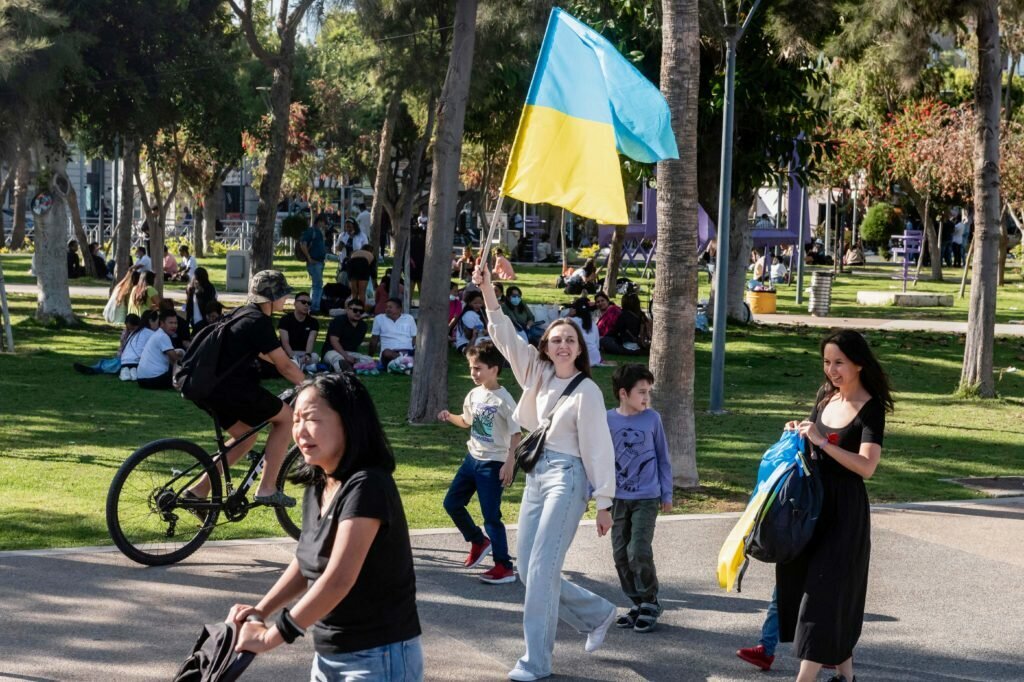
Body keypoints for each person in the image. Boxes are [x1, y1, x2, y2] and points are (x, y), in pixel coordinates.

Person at [228, 373, 423, 680]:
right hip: (329, 655)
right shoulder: (320, 482)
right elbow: (306, 560)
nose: (300, 431)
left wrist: (271, 637)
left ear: (349, 421)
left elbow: (338, 579)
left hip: (378, 657)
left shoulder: (368, 485)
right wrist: (260, 611)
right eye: (296, 420)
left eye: (312, 419)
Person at [475, 265, 617, 682]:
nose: (562, 345)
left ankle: (535, 662)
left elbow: (598, 448)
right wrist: (487, 290)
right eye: (555, 340)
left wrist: (605, 502)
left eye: (569, 340)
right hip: (537, 477)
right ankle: (597, 613)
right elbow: (503, 333)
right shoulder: (535, 373)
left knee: (540, 571)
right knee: (527, 570)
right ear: (546, 345)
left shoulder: (588, 391)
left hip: (568, 479)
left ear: (579, 348)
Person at [776, 329, 894, 682]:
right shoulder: (826, 397)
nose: (832, 370)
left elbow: (866, 467)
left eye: (839, 362)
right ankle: (846, 675)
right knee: (808, 588)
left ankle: (804, 678)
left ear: (858, 363)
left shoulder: (870, 408)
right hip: (811, 508)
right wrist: (800, 430)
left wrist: (822, 443)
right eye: (827, 362)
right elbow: (813, 441)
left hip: (845, 513)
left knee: (822, 596)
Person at [186, 270, 307, 508]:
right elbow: (283, 366)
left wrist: (295, 370)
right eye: (283, 295)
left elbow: (269, 355)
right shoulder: (258, 322)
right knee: (286, 418)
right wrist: (312, 385)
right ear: (271, 297)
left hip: (205, 387)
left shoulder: (243, 314)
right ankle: (267, 488)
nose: (286, 300)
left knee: (245, 437)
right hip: (228, 389)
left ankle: (198, 492)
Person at [437, 342, 521, 585]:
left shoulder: (505, 400)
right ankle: (477, 540)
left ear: (494, 369)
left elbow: (516, 434)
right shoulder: (474, 394)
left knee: (491, 516)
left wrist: (509, 462)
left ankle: (504, 567)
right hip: (471, 460)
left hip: (493, 465)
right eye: (471, 368)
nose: (473, 373)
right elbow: (466, 421)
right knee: (452, 503)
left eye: (478, 368)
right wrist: (449, 416)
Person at [606, 364, 672, 634]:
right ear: (624, 393)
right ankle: (638, 602)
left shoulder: (652, 419)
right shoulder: (607, 420)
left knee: (638, 551)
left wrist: (667, 493)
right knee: (620, 555)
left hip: (647, 497)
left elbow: (663, 458)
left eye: (649, 393)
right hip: (617, 500)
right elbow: (599, 458)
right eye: (641, 392)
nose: (647, 398)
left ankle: (650, 600)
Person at [136, 309, 185, 389]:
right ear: (162, 323)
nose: (174, 326)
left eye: (176, 323)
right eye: (171, 323)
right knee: (186, 377)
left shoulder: (158, 334)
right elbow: (175, 359)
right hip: (154, 379)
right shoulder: (163, 336)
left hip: (141, 380)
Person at [322, 299, 369, 372]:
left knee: (368, 360)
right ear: (347, 310)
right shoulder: (338, 321)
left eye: (361, 311)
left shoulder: (363, 326)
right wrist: (346, 356)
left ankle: (350, 367)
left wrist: (351, 357)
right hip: (333, 351)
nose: (358, 313)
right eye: (355, 310)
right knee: (338, 359)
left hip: (350, 353)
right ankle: (349, 368)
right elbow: (334, 341)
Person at [279, 292, 321, 372]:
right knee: (281, 357)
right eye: (303, 302)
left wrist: (307, 355)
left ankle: (296, 366)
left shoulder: (313, 322)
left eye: (309, 303)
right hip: (288, 353)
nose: (306, 305)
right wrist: (293, 357)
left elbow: (311, 341)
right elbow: (285, 343)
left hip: (303, 353)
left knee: (315, 357)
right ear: (295, 303)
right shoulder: (285, 320)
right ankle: (305, 367)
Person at [370, 297, 417, 365]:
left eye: (390, 307)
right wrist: (369, 357)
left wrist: (414, 350)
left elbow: (414, 338)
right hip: (390, 354)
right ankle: (406, 361)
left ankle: (405, 361)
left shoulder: (409, 318)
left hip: (407, 351)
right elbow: (374, 340)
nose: (387, 309)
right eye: (386, 307)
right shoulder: (379, 318)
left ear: (399, 309)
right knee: (386, 352)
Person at [300, 215, 328, 313]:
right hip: (314, 262)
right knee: (318, 285)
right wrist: (309, 258)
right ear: (319, 221)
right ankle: (315, 307)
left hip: (319, 262)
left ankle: (312, 305)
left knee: (316, 285)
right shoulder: (312, 231)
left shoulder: (319, 233)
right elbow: (303, 244)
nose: (325, 225)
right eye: (324, 222)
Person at [566, 297, 602, 366]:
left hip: (580, 358)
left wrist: (569, 314)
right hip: (595, 358)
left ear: (575, 310)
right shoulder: (593, 324)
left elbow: (556, 326)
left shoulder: (569, 321)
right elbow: (597, 345)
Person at [185, 267, 218, 333]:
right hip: (198, 319)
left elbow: (210, 303)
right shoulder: (192, 288)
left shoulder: (208, 288)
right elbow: (189, 305)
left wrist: (200, 293)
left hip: (201, 319)